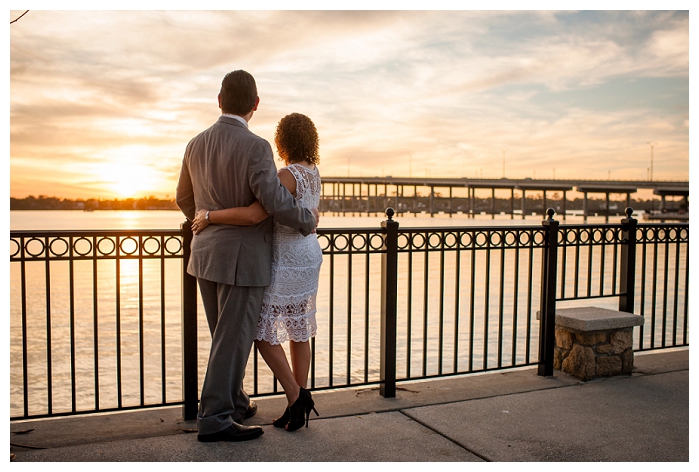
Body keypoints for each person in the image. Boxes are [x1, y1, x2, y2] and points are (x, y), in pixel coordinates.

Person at [176, 71, 317, 443]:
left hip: (203, 255)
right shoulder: (256, 147)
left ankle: (235, 400)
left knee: (225, 336)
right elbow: (272, 201)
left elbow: (184, 199)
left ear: (219, 100)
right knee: (232, 338)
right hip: (243, 261)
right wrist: (307, 219)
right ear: (255, 104)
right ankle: (217, 419)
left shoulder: (194, 144)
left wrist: (206, 223)